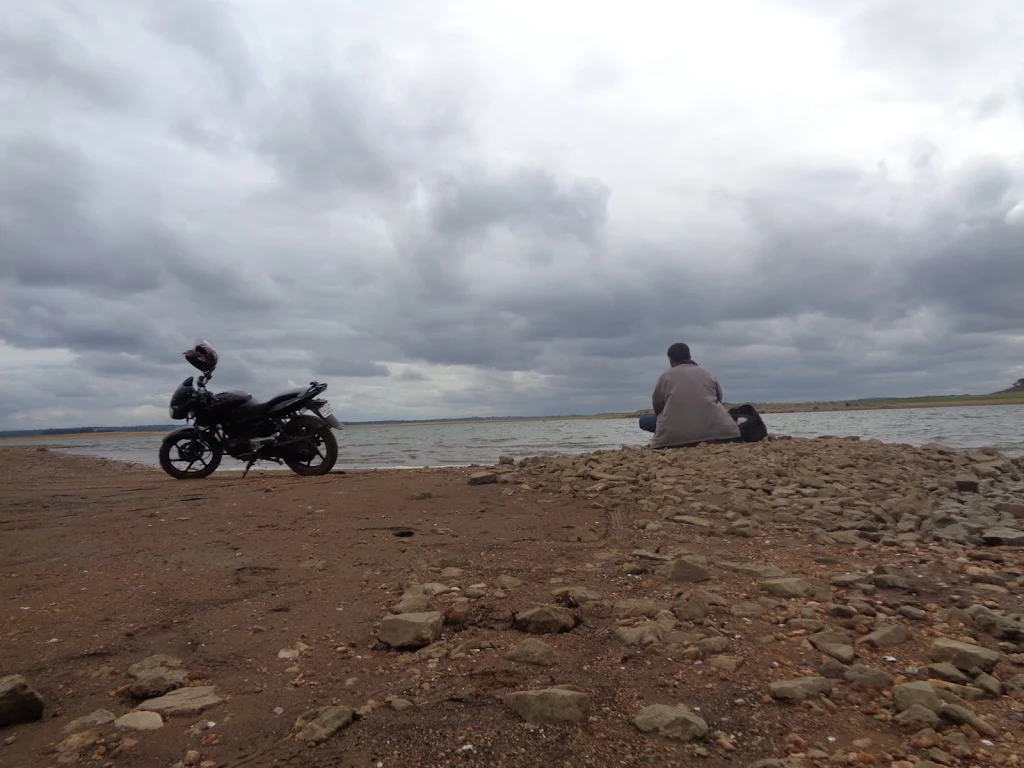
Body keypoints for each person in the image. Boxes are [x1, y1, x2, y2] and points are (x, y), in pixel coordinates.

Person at [639, 343, 741, 449]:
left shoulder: (666, 376)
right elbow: (718, 398)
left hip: (675, 433)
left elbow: (658, 406)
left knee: (644, 420)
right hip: (717, 431)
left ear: (671, 360)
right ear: (689, 356)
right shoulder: (707, 373)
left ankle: (676, 437)